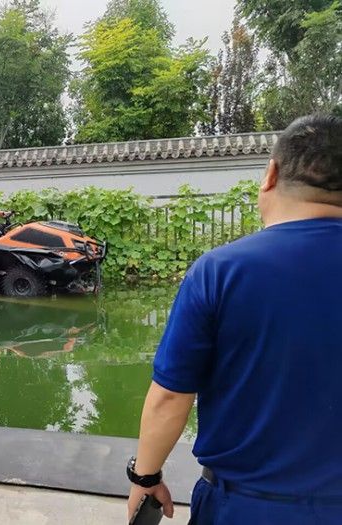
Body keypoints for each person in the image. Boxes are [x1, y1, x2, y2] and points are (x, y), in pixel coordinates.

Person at [127, 115, 342, 525]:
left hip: (243, 507)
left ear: (271, 175)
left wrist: (145, 476)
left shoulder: (220, 271)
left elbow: (171, 397)